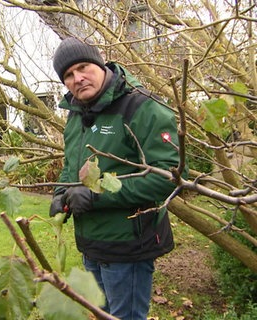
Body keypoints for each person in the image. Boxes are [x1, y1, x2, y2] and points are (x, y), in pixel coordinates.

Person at [49, 37, 186, 320]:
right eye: (68, 76)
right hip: (91, 243)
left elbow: (167, 177)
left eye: (83, 67)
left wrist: (97, 196)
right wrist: (60, 193)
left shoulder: (142, 107)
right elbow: (70, 166)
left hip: (128, 244)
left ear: (100, 64)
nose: (78, 78)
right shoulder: (76, 115)